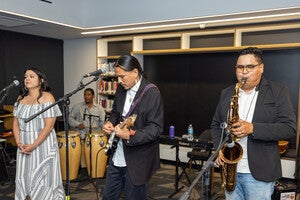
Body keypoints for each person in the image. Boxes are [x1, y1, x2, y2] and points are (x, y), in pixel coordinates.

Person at [211, 47, 296, 200]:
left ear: (261, 68)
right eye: (240, 67)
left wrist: (253, 128)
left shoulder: (278, 91)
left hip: (260, 174)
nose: (244, 72)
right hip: (231, 169)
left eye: (250, 67)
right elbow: (216, 125)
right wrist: (218, 150)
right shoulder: (227, 93)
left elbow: (289, 128)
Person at [102, 55, 164, 200]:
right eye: (117, 77)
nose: (119, 81)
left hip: (138, 157)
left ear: (135, 72)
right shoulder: (121, 89)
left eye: (122, 77)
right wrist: (110, 122)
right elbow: (116, 112)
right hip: (117, 153)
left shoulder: (152, 93)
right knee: (108, 196)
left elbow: (155, 129)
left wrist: (130, 135)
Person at [13, 67, 65, 200]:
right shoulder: (20, 98)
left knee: (43, 181)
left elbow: (49, 126)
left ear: (41, 80)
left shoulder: (48, 97)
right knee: (24, 179)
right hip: (24, 145)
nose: (27, 79)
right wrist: (19, 143)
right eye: (25, 77)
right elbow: (16, 124)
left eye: (31, 76)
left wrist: (34, 145)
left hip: (42, 144)